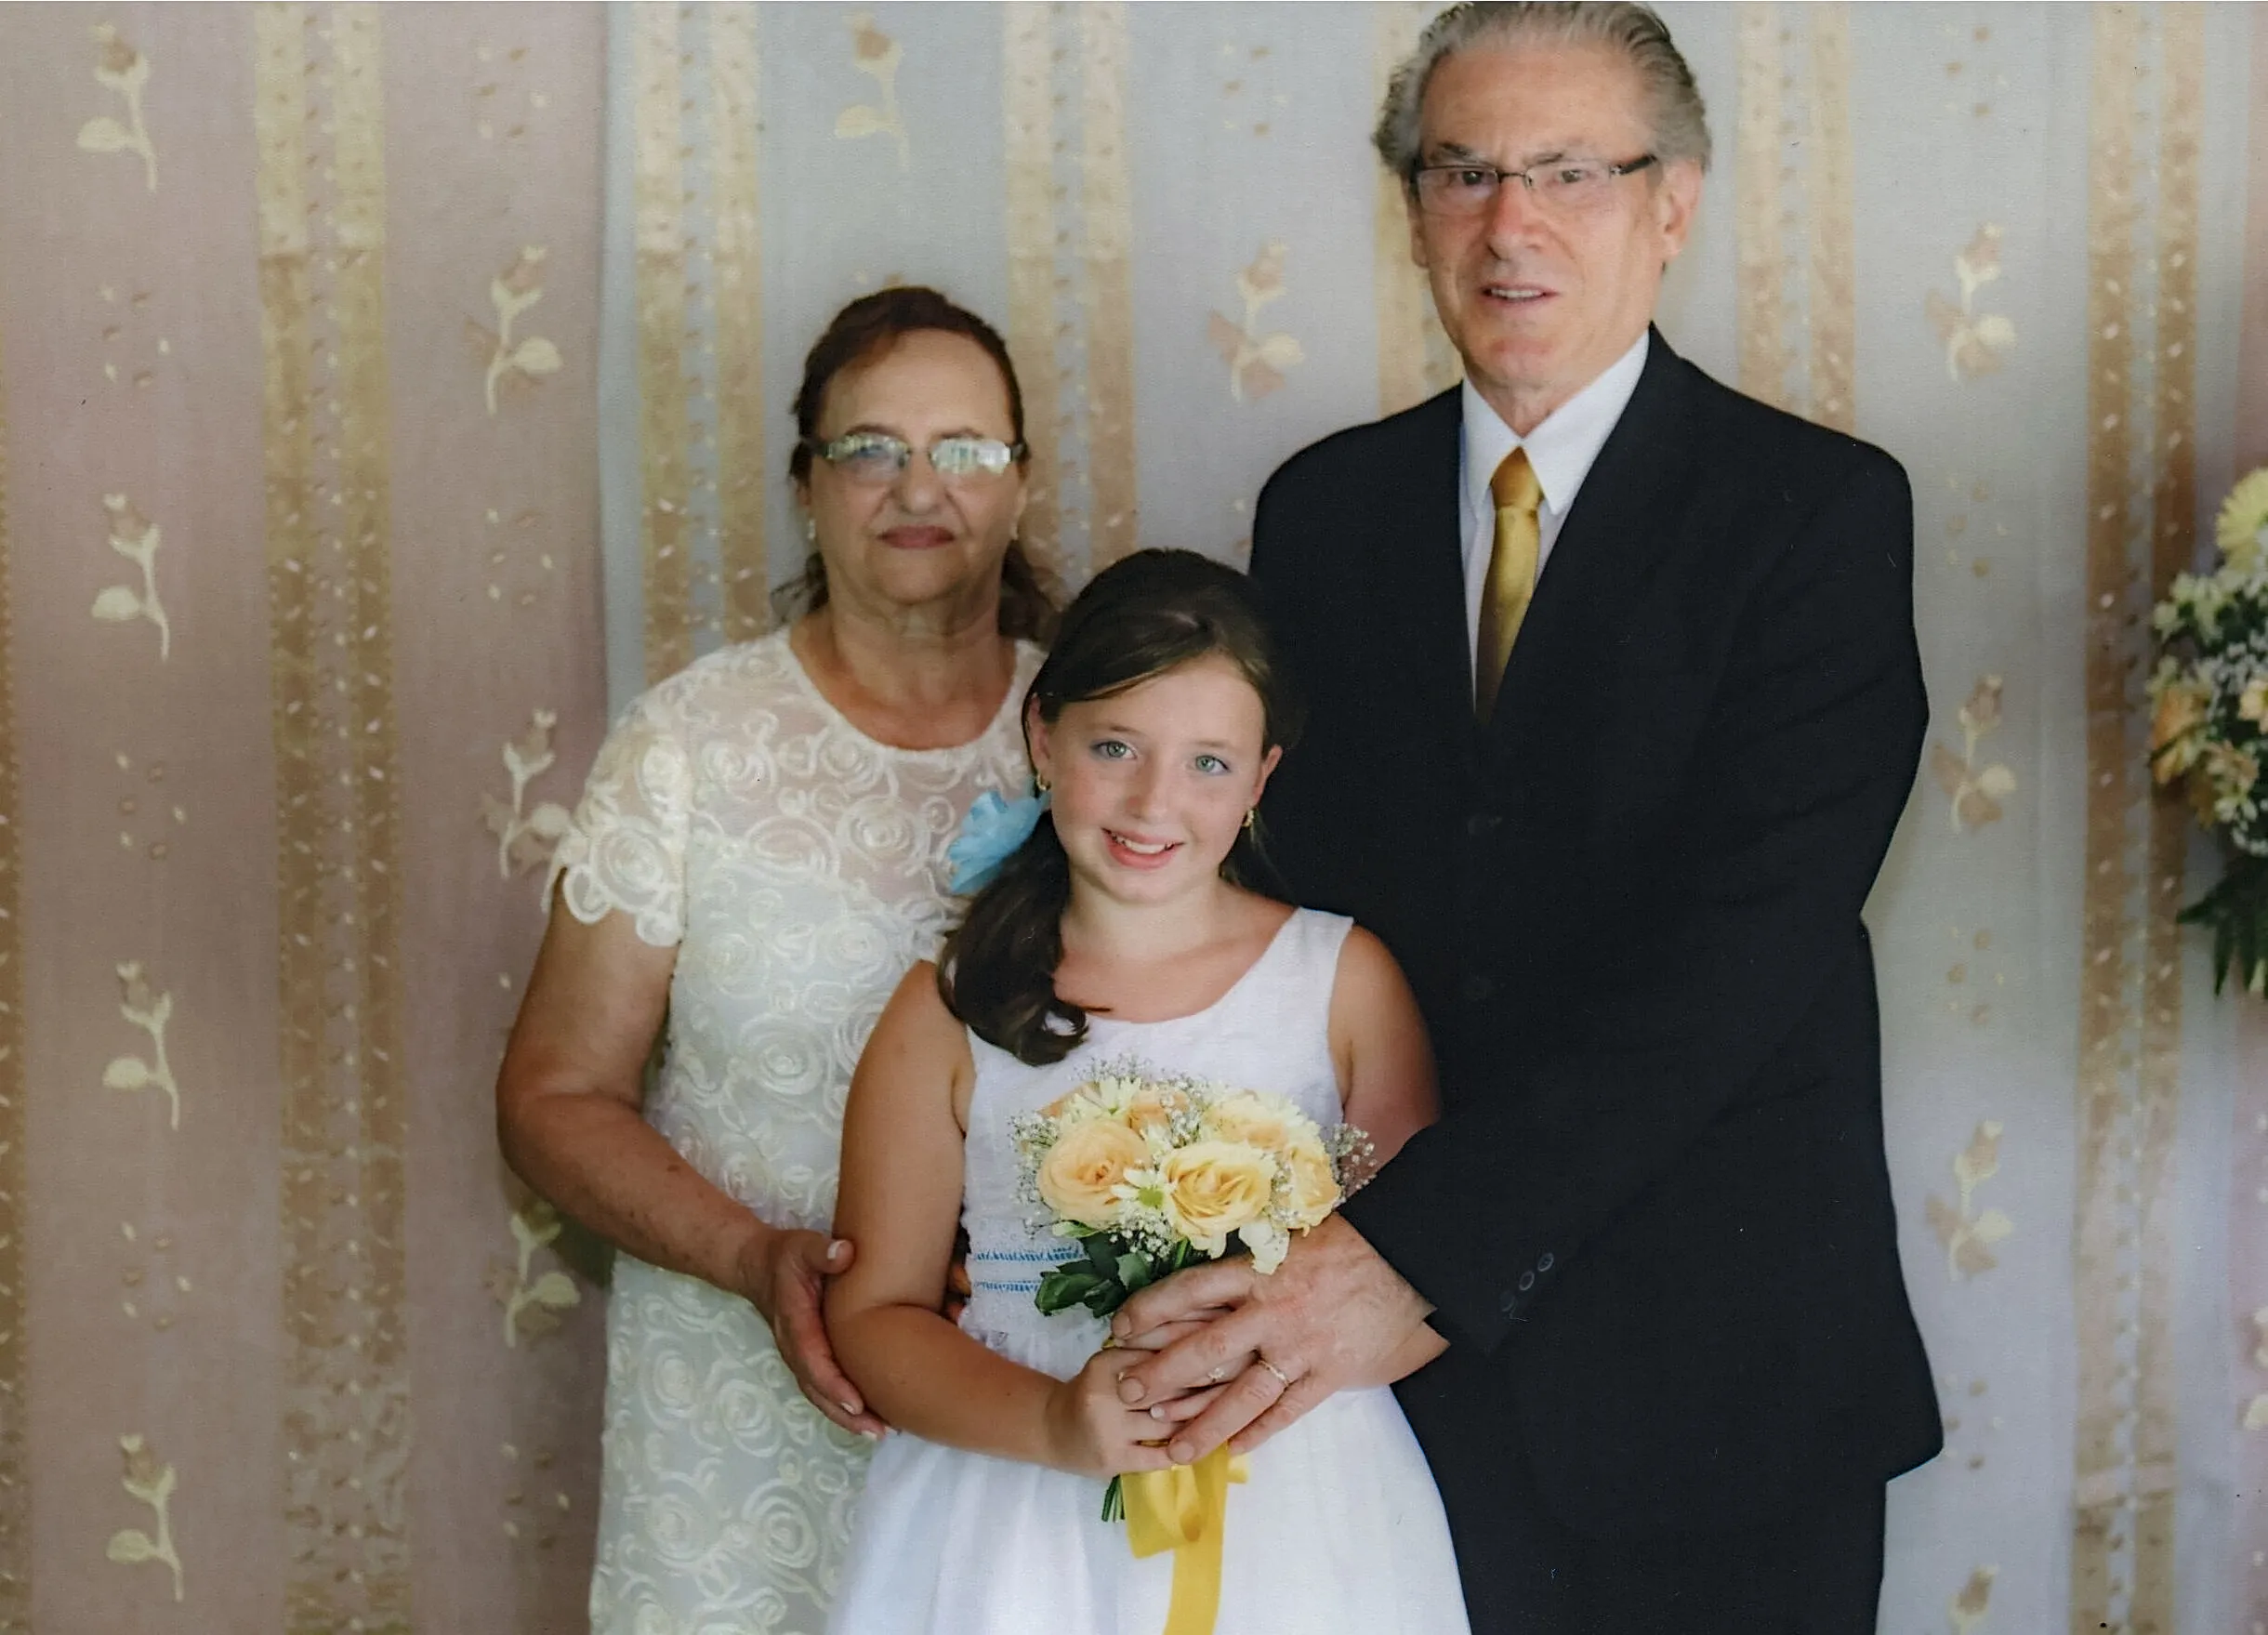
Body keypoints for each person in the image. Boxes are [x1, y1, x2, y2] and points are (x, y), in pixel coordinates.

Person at [1111, 6, 1943, 1630]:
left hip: (1716, 1388)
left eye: (1570, 169)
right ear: (1412, 208)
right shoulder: (1320, 511)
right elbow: (1266, 908)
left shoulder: (1821, 514)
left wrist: (1416, 1255)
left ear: (1673, 203)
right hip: (1385, 1405)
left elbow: (1743, 958)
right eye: (1465, 171)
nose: (1512, 223)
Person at [495, 285, 1054, 1634]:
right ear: (807, 485)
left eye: (964, 448)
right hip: (738, 1409)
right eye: (870, 448)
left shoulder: (1101, 738)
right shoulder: (693, 740)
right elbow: (554, 1093)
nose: (919, 485)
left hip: (1021, 1403)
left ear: (1023, 484)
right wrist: (755, 1257)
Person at [822, 549, 1470, 1634]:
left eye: (1207, 764)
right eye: (1113, 746)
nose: (1153, 800)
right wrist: (1056, 1424)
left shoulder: (1343, 981)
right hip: (1017, 1500)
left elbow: (1425, 1279)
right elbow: (876, 1314)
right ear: (1043, 737)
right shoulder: (950, 1005)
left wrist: (1251, 1364)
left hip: (1297, 1501)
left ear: (1262, 776)